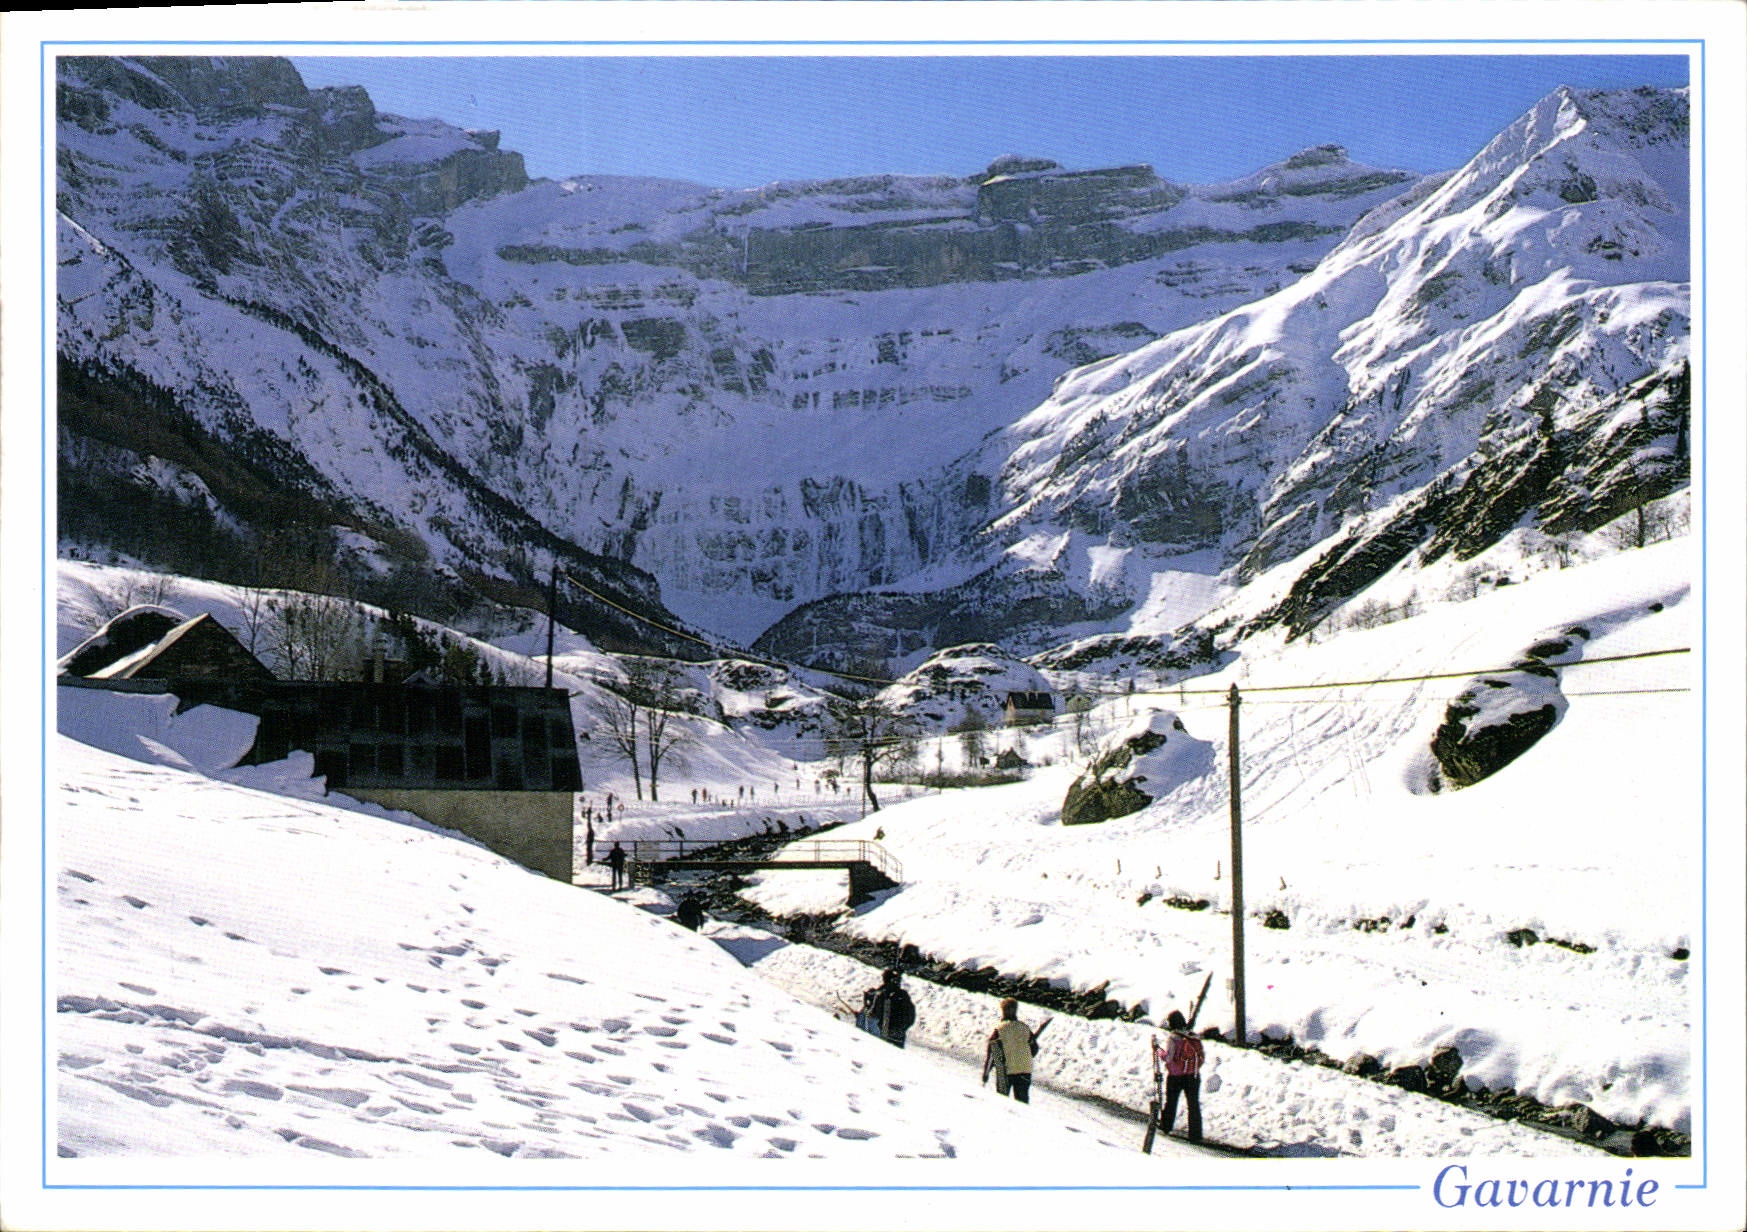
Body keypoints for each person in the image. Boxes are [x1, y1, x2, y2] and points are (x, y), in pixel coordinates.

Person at [982, 998, 1049, 1104]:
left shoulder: (999, 1029)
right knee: (1022, 1104)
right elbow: (1034, 1049)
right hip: (1024, 1070)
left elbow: (992, 1055)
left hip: (1005, 1072)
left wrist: (986, 1074)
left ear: (1003, 1011)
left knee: (1002, 1102)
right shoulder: (1024, 1028)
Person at [1153, 1010, 1205, 1142]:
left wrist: (1158, 1051)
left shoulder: (1173, 1038)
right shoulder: (1193, 1036)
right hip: (1193, 1076)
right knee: (1193, 1104)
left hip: (1176, 1076)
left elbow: (1168, 1058)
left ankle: (1166, 1126)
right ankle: (1195, 1134)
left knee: (1171, 1101)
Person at [864, 969, 916, 1048]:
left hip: (883, 1035)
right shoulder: (902, 994)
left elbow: (873, 1014)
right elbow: (911, 1015)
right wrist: (902, 1029)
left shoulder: (881, 994)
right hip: (899, 1036)